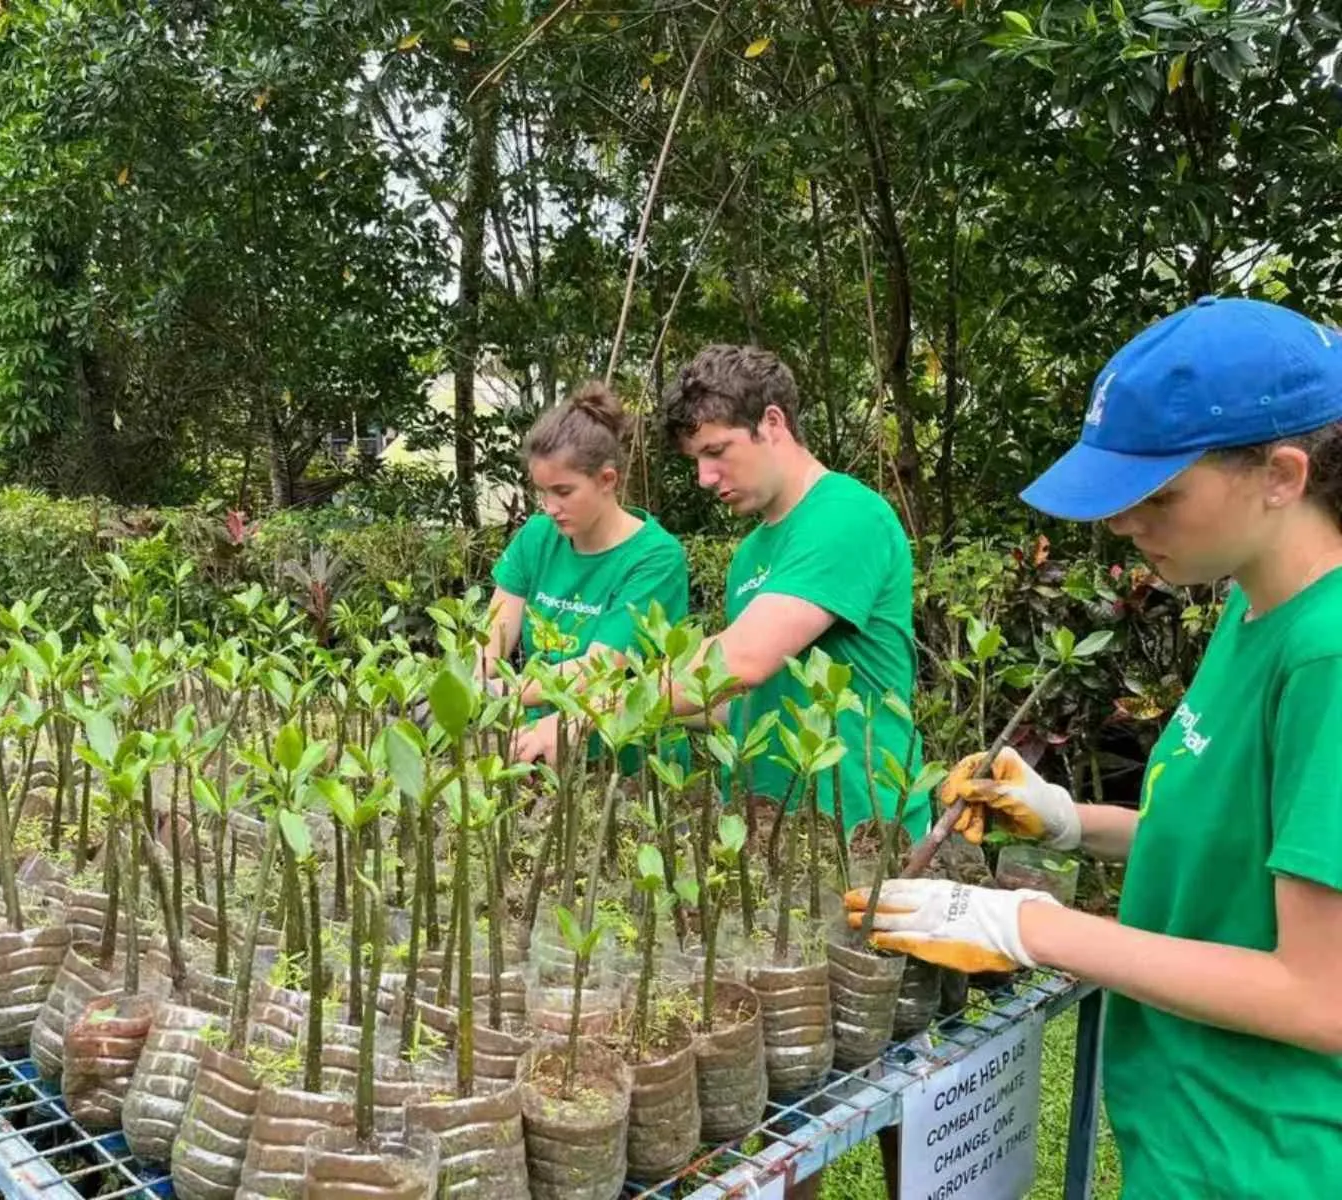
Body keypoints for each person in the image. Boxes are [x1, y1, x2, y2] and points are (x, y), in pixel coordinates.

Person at [847, 297, 1342, 1198]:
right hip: (1187, 1124)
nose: (1122, 523)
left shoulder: (1328, 656)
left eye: (1157, 496)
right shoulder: (1249, 600)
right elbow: (1239, 845)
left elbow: (1319, 997)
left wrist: (1034, 927)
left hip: (1265, 1158)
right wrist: (1071, 822)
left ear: (1280, 474)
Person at [518, 345, 926, 840]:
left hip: (864, 832)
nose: (705, 478)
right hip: (769, 826)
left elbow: (741, 660)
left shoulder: (846, 516)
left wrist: (587, 718)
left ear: (772, 423)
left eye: (716, 452)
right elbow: (739, 699)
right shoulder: (750, 553)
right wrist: (641, 717)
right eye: (697, 459)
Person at [484, 381, 689, 720]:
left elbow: (600, 667)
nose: (550, 507)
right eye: (542, 492)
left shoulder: (656, 558)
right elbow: (494, 637)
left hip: (625, 754)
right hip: (537, 747)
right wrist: (459, 688)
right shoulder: (536, 537)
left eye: (563, 491)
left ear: (607, 480)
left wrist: (494, 693)